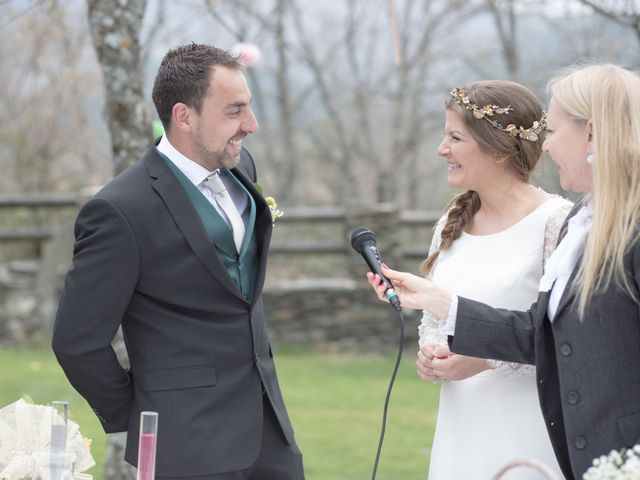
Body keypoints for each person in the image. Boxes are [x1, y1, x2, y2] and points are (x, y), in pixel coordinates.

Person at [368, 63, 640, 480]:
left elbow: (574, 346)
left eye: (554, 132)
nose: (545, 147)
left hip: (577, 439)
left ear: (590, 133)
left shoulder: (590, 224)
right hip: (481, 434)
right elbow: (545, 330)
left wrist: (482, 362)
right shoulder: (585, 219)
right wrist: (438, 305)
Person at [52, 43, 304, 480]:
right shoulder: (120, 210)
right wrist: (138, 414)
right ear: (184, 116)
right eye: (234, 111)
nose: (252, 125)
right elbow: (77, 340)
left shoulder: (241, 166)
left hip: (271, 438)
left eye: (249, 108)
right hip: (184, 446)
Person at [412, 80, 569, 479]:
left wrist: (484, 361)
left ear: (498, 149)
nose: (441, 149)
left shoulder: (557, 224)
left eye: (454, 137)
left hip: (528, 427)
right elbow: (435, 317)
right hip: (460, 429)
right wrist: (433, 353)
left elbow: (564, 338)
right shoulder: (452, 220)